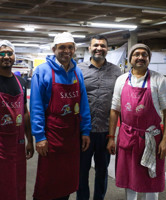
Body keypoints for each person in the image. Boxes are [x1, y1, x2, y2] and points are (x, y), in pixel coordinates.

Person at [30, 32, 91, 200]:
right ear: (54, 49)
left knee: (67, 179)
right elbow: (36, 107)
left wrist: (85, 131)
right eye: (62, 47)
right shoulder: (42, 71)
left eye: (70, 47)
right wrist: (39, 136)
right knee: (48, 180)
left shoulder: (76, 71)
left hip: (72, 136)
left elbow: (83, 103)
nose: (67, 51)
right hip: (52, 135)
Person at [107, 43, 166, 200]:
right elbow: (114, 110)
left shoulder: (159, 80)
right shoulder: (121, 80)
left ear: (149, 58)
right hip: (127, 137)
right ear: (130, 58)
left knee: (151, 176)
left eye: (144, 54)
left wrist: (165, 140)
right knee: (130, 177)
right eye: (136, 54)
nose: (140, 57)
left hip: (151, 137)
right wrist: (111, 138)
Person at [77, 35, 121, 200]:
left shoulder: (116, 71)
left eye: (103, 46)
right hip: (84, 132)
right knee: (81, 171)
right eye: (96, 45)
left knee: (102, 171)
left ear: (107, 49)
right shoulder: (78, 69)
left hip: (105, 131)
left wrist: (113, 136)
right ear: (89, 48)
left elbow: (119, 103)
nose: (99, 48)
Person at [0, 40, 34, 200]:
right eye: (2, 53)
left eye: (9, 53)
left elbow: (25, 112)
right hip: (0, 143)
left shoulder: (20, 82)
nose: (6, 56)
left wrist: (30, 140)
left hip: (18, 142)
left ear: (14, 56)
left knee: (18, 181)